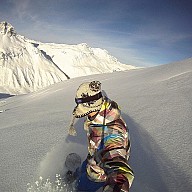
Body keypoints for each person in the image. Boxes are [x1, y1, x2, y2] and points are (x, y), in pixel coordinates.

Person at [68, 81, 134, 192]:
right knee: (86, 165)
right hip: (95, 156)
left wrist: (117, 185)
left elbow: (115, 156)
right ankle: (77, 174)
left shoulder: (112, 131)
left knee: (82, 185)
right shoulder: (100, 112)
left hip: (100, 173)